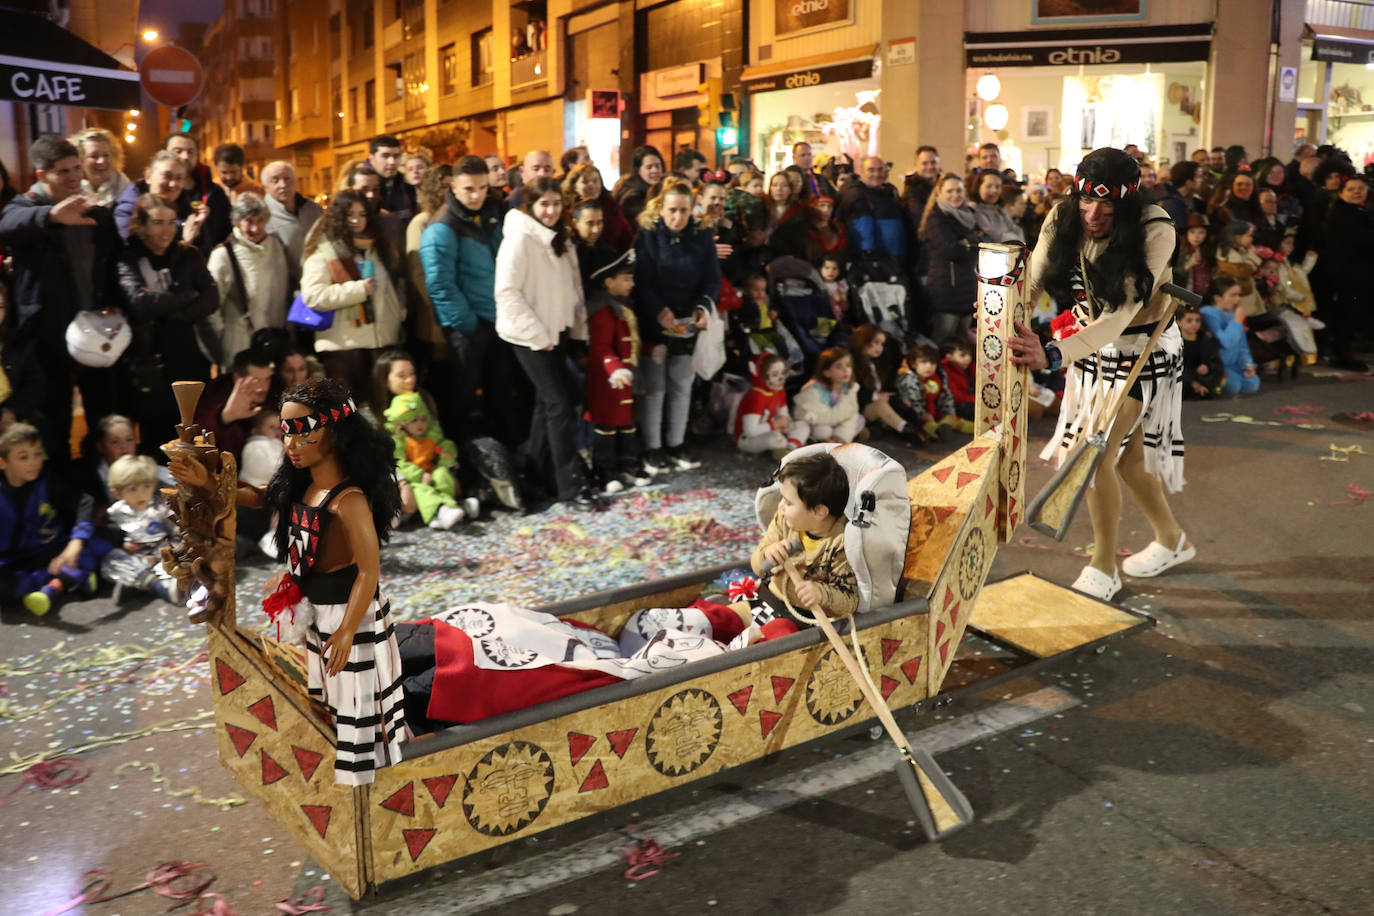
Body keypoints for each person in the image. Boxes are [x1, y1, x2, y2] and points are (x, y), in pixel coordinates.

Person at [176, 378, 408, 785]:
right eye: (287, 433)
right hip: (317, 611)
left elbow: (369, 571)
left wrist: (349, 630)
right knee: (329, 700)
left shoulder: (347, 499)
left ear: (334, 432)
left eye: (304, 433)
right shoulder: (302, 487)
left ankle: (371, 782)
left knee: (360, 706)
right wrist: (208, 482)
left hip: (348, 615)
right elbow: (256, 495)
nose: (291, 445)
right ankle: (342, 776)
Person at [1008, 147, 1191, 602]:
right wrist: (1003, 315)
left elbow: (1121, 316)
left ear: (1126, 203)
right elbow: (1031, 280)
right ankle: (1172, 539)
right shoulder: (1062, 216)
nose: (1092, 214)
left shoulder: (1155, 229)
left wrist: (1053, 353)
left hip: (1143, 349)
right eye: (1086, 200)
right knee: (1126, 462)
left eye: (1106, 205)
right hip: (1088, 344)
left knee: (1093, 457)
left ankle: (1104, 567)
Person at [0, 136, 121, 462]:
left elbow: (111, 262)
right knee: (53, 422)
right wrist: (51, 216)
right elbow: (6, 224)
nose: (73, 176)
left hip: (94, 334)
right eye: (63, 171)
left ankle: (105, 483)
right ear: (41, 175)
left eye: (76, 168)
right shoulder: (25, 207)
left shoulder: (90, 208)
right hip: (46, 339)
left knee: (102, 416)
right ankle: (60, 492)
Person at [494, 176, 597, 507]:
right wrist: (538, 334)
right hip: (530, 335)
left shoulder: (560, 237)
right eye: (544, 204)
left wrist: (576, 326)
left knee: (545, 406)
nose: (550, 210)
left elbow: (573, 286)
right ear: (530, 206)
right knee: (559, 404)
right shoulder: (520, 239)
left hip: (557, 330)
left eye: (556, 203)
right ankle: (569, 485)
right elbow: (507, 292)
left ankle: (533, 474)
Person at [117, 193, 221, 453]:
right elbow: (139, 303)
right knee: (157, 433)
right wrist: (186, 296)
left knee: (193, 428)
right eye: (157, 222)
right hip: (149, 359)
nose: (166, 230)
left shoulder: (189, 255)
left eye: (171, 222)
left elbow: (211, 298)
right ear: (141, 224)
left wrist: (170, 315)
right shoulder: (129, 256)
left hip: (189, 355)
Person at [420, 155, 515, 439]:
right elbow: (439, 284)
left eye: (483, 187)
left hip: (498, 321)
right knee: (464, 401)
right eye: (469, 188)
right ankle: (465, 464)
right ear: (453, 186)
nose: (476, 195)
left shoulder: (491, 214)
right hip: (470, 327)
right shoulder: (442, 226)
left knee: (501, 396)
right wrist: (468, 324)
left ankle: (502, 458)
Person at [633, 180, 719, 473]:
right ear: (660, 208)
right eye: (672, 210)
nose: (678, 217)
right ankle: (653, 446)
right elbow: (641, 281)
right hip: (654, 322)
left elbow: (711, 279)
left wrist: (702, 307)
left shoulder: (701, 235)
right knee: (655, 387)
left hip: (686, 323)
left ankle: (676, 442)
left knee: (682, 383)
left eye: (684, 210)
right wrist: (658, 310)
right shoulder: (648, 235)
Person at [301, 189, 405, 402]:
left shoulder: (377, 248)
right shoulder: (324, 251)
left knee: (380, 409)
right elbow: (313, 296)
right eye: (350, 214)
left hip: (381, 343)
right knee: (351, 412)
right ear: (338, 216)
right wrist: (358, 290)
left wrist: (399, 314)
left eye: (362, 214)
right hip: (344, 349)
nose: (357, 220)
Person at [0, 423, 104, 615]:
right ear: (3, 462)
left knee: (106, 540)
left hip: (53, 551)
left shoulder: (47, 481)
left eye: (38, 454)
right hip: (13, 561)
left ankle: (55, 583)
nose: (33, 462)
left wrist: (75, 544)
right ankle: (69, 578)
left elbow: (84, 502)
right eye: (24, 457)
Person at [751, 451, 859, 625]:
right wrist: (767, 556)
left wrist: (820, 593)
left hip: (802, 619)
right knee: (715, 615)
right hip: (768, 598)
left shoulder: (842, 543)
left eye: (788, 502)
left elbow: (850, 602)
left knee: (773, 633)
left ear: (819, 512)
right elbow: (758, 567)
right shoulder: (784, 519)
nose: (780, 506)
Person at [585, 249, 651, 492]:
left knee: (629, 424)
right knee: (607, 427)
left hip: (629, 377)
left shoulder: (624, 306)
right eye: (626, 279)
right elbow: (601, 346)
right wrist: (614, 369)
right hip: (609, 381)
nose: (631, 284)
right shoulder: (603, 311)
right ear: (609, 282)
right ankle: (605, 471)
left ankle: (629, 466)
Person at [206, 193, 291, 366]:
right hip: (239, 347)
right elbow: (211, 307)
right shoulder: (223, 255)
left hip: (275, 342)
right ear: (237, 221)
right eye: (249, 221)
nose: (255, 228)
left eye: (260, 221)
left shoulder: (276, 247)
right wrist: (223, 339)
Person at [383, 391, 472, 529]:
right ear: (402, 423)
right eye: (414, 420)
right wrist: (419, 475)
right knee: (422, 491)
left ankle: (447, 508)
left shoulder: (430, 435)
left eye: (423, 419)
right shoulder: (400, 441)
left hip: (431, 471)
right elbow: (399, 462)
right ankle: (440, 510)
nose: (420, 424)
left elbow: (442, 445)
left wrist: (446, 452)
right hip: (415, 478)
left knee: (442, 475)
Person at [99, 454, 181, 603]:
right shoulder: (116, 513)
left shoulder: (159, 507)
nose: (141, 494)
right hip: (138, 556)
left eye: (146, 486)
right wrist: (122, 545)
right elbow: (112, 537)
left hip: (161, 549)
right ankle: (155, 585)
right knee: (111, 560)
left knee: (183, 547)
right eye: (132, 490)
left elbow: (175, 528)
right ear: (117, 493)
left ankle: (139, 584)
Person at [1319, 172, 1373, 372]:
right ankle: (1342, 354)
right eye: (1352, 189)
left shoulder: (1358, 212)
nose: (1357, 192)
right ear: (1341, 193)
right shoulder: (1342, 214)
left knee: (1353, 315)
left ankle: (1344, 352)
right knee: (1346, 316)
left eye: (1361, 189)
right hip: (1346, 274)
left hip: (1357, 273)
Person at [919, 171, 979, 343]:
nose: (955, 195)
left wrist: (967, 243)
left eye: (959, 191)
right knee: (943, 339)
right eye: (950, 191)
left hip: (966, 288)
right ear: (940, 193)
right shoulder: (936, 218)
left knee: (962, 342)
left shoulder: (968, 215)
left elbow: (976, 245)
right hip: (946, 289)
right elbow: (950, 250)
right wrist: (968, 244)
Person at [195, 347, 278, 459]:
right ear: (237, 378)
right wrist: (224, 417)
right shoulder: (215, 395)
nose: (263, 388)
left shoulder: (274, 394)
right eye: (256, 380)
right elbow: (198, 442)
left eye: (267, 379)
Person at [849, 325, 924, 443]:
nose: (879, 348)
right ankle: (905, 430)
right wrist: (874, 396)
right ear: (863, 341)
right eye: (876, 342)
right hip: (859, 408)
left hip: (878, 404)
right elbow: (851, 393)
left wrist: (899, 397)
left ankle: (915, 427)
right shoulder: (851, 364)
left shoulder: (879, 362)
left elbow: (888, 385)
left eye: (882, 344)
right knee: (880, 404)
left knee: (898, 403)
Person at [161, 132, 232, 249]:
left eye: (190, 152)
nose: (185, 157)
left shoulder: (214, 192)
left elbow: (228, 232)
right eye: (178, 151)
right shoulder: (155, 191)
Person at [261, 161, 323, 294]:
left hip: (317, 286)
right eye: (275, 180)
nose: (283, 185)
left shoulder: (314, 210)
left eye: (287, 179)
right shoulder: (262, 217)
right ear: (265, 187)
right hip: (281, 293)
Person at [840, 157, 909, 267]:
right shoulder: (856, 194)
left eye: (880, 169)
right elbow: (863, 230)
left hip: (893, 261)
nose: (876, 174)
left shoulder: (888, 193)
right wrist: (868, 259)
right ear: (861, 172)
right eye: (871, 170)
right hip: (874, 264)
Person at [1201, 277, 1261, 396]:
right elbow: (1224, 342)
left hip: (1234, 365)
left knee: (1253, 383)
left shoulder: (1232, 315)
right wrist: (1237, 322)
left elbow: (1242, 346)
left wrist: (1247, 364)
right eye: (1233, 295)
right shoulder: (1208, 313)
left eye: (1238, 295)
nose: (1237, 299)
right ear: (1218, 298)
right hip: (1217, 366)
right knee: (1233, 386)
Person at [792, 347, 863, 444]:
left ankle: (836, 440)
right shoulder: (815, 390)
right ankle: (821, 440)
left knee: (859, 419)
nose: (845, 370)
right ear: (827, 372)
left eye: (848, 365)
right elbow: (810, 415)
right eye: (839, 367)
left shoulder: (850, 389)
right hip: (818, 421)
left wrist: (842, 435)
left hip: (836, 420)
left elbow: (852, 413)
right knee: (823, 431)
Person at [896, 343, 968, 436]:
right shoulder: (908, 380)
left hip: (937, 414)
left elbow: (947, 397)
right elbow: (913, 404)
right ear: (914, 364)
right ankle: (937, 432)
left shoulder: (939, 377)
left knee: (956, 421)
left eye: (933, 363)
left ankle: (974, 428)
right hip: (917, 418)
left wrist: (949, 414)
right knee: (928, 426)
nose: (929, 366)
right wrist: (923, 415)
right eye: (924, 362)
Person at [735, 353, 799, 456]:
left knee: (800, 425)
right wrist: (774, 425)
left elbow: (784, 416)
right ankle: (788, 446)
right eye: (774, 375)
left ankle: (789, 445)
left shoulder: (780, 392)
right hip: (747, 439)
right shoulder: (756, 396)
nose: (781, 378)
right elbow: (750, 431)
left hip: (771, 429)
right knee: (774, 438)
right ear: (760, 375)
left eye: (783, 373)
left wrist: (785, 423)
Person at [562, 162, 634, 253]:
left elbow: (626, 235)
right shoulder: (567, 212)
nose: (592, 185)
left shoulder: (611, 206)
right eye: (585, 182)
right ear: (574, 186)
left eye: (595, 181)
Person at [71, 127, 130, 207]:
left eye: (106, 155)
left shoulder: (127, 191)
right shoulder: (71, 189)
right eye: (94, 156)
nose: (101, 161)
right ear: (80, 160)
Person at [1178, 303, 1223, 399]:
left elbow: (1216, 363)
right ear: (1179, 322)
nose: (1194, 324)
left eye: (1197, 320)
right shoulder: (1175, 344)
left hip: (1203, 379)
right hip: (1183, 381)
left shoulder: (1206, 341)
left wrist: (1207, 366)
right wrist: (1192, 382)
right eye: (1189, 320)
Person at [613, 145, 664, 228]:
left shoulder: (659, 189)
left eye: (658, 166)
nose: (655, 170)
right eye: (649, 167)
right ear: (638, 170)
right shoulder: (632, 196)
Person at [366, 134, 415, 219]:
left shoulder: (407, 185)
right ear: (372, 158)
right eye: (385, 156)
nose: (392, 162)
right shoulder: (358, 185)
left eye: (396, 156)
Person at [970, 171, 1024, 243]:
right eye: (989, 186)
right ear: (978, 187)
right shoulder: (972, 211)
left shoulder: (999, 211)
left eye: (997, 187)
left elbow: (1016, 230)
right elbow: (993, 235)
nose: (994, 190)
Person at [239, 409, 283, 488]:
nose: (276, 431)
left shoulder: (281, 446)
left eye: (279, 428)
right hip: (254, 488)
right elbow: (264, 471)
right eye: (271, 427)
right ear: (256, 431)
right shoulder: (253, 446)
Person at [941, 336, 976, 423]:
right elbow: (956, 396)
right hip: (959, 405)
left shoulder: (972, 367)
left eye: (969, 354)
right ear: (949, 357)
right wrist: (977, 399)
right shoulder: (946, 370)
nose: (968, 358)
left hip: (973, 399)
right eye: (963, 355)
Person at [1157, 160, 1200, 229]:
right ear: (1189, 182)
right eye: (1199, 177)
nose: (1201, 180)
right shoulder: (1173, 204)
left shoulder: (1189, 199)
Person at [901, 145, 941, 219]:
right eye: (925, 163)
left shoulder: (945, 184)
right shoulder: (911, 189)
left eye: (933, 162)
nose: (930, 167)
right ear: (916, 165)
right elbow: (921, 217)